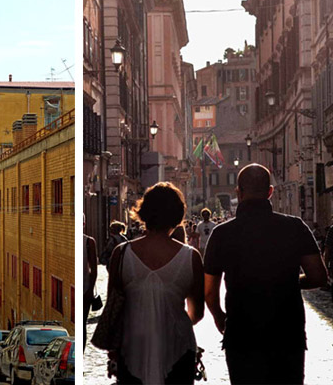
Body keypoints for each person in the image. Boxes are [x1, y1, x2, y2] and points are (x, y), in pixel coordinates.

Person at [204, 164, 327, 384]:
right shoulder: (295, 227)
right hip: (287, 332)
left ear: (238, 193)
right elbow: (318, 276)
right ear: (270, 192)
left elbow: (210, 291)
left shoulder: (222, 234)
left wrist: (220, 318)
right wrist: (288, 281)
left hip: (242, 332)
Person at [107, 182, 204, 384]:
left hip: (132, 347)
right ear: (177, 216)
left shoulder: (121, 254)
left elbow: (113, 308)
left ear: (144, 212)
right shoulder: (191, 257)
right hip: (178, 347)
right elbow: (197, 312)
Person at [84, 215, 98, 351]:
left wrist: (90, 289)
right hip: (85, 290)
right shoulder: (89, 241)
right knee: (82, 324)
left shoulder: (88, 241)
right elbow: (94, 269)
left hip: (85, 290)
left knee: (82, 324)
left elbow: (94, 269)